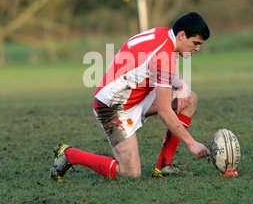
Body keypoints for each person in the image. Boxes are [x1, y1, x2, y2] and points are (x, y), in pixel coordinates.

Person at [51, 12, 211, 181]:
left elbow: (159, 64)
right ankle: (69, 154)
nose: (197, 48)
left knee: (188, 98)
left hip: (135, 96)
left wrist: (182, 86)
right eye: (195, 43)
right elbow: (165, 111)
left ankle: (164, 165)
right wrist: (192, 144)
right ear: (182, 35)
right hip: (111, 107)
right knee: (130, 173)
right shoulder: (164, 56)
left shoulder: (163, 34)